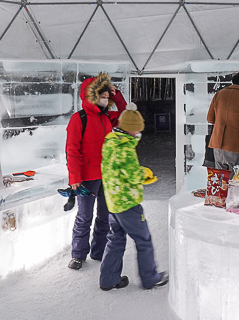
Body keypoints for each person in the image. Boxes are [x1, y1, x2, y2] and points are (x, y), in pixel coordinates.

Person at [98, 105, 168, 291]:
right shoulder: (125, 149)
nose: (139, 132)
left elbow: (117, 170)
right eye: (137, 128)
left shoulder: (110, 142)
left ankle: (108, 279)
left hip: (113, 201)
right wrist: (145, 174)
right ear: (129, 128)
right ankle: (150, 278)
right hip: (127, 203)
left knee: (116, 239)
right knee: (143, 239)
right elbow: (132, 175)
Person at [65, 72, 127, 270]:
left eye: (107, 97)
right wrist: (74, 177)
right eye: (103, 95)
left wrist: (116, 95)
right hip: (86, 178)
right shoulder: (79, 119)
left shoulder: (107, 117)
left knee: (104, 216)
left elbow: (127, 114)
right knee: (84, 216)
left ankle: (98, 251)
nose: (106, 99)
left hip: (107, 175)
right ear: (92, 95)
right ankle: (78, 255)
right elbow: (72, 149)